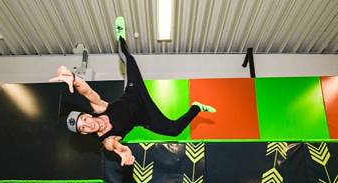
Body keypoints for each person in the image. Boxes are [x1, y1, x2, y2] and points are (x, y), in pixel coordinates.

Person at [50, 17, 216, 166]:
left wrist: (73, 78)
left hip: (134, 92)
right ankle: (197, 107)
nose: (88, 124)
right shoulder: (106, 139)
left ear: (86, 115)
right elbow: (117, 147)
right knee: (173, 130)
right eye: (83, 127)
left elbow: (87, 92)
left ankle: (120, 36)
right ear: (85, 133)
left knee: (129, 60)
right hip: (145, 116)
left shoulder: (99, 109)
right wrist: (125, 152)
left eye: (84, 119)